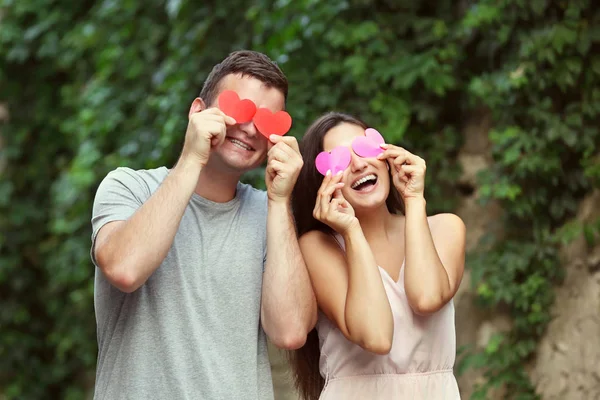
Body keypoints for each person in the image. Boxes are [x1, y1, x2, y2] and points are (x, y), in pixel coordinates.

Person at [90, 50, 317, 400]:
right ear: (198, 111)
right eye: (238, 108)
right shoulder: (129, 187)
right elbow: (124, 268)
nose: (249, 128)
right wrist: (193, 156)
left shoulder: (271, 215)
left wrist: (280, 201)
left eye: (266, 121)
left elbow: (290, 331)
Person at [289, 112, 466, 399]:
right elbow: (377, 336)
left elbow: (426, 298)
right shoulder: (318, 247)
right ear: (322, 182)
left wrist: (413, 199)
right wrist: (351, 231)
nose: (358, 164)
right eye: (341, 161)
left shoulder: (446, 228)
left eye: (364, 148)